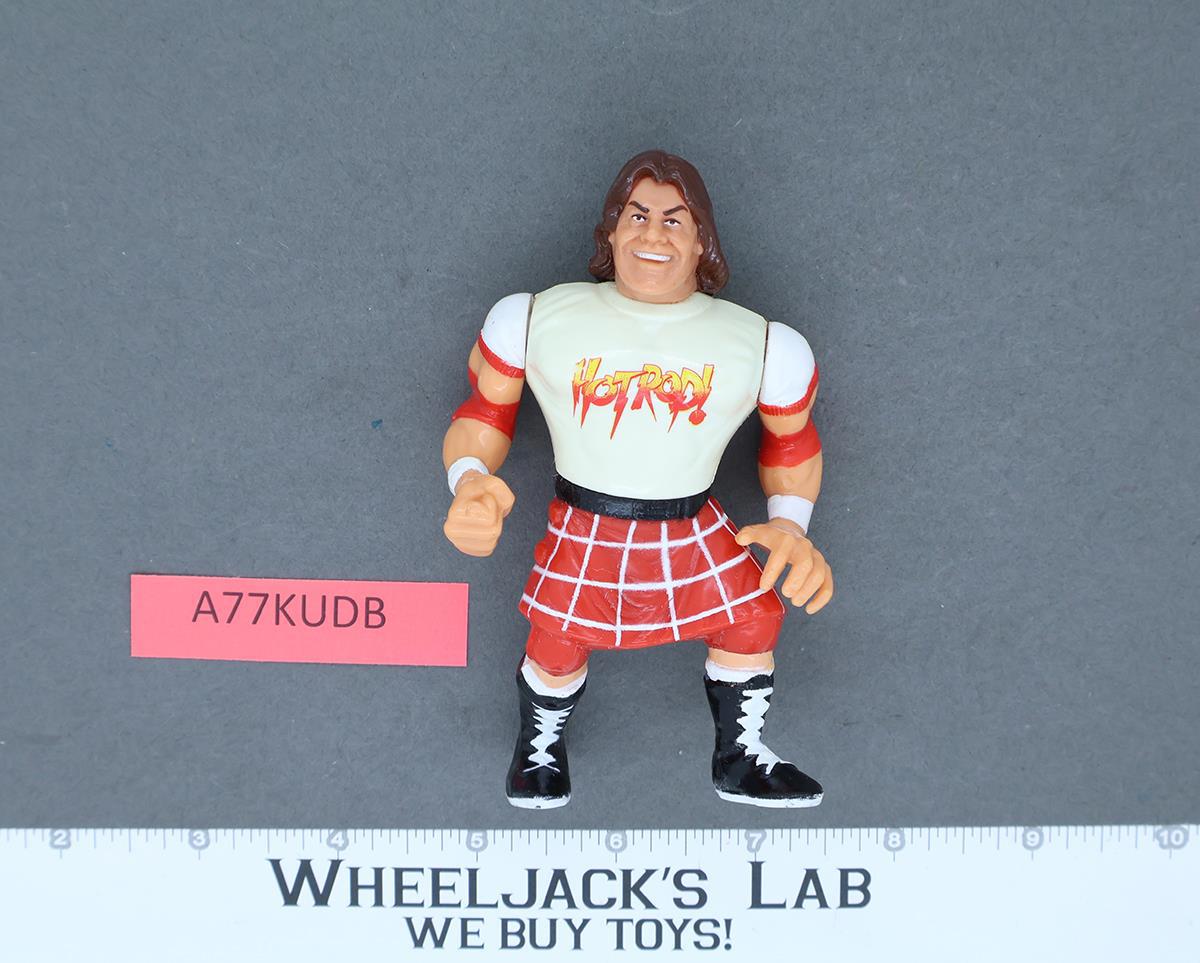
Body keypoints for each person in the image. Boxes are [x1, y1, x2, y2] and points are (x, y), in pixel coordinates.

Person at [441, 150, 834, 809]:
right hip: (586, 517)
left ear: (702, 239)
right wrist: (469, 479)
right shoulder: (534, 318)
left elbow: (793, 442)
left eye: (674, 220)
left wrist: (791, 526)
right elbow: (482, 412)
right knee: (558, 634)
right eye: (638, 216)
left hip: (693, 519)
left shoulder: (764, 344)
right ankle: (538, 751)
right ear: (612, 230)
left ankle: (739, 756)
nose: (654, 235)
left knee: (754, 615)